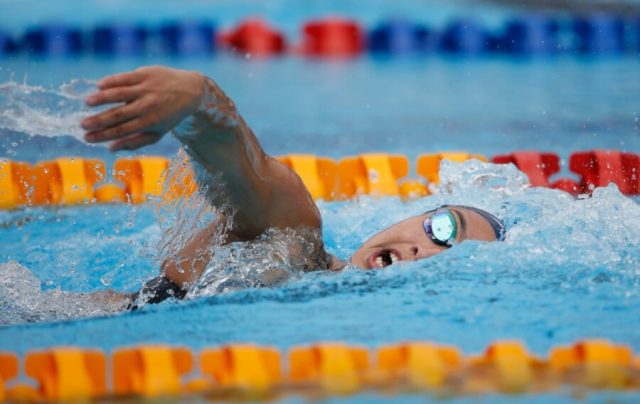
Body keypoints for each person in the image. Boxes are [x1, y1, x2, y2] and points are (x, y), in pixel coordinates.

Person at [81, 66, 505, 308]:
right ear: (417, 215)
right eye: (444, 230)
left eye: (450, 263)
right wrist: (199, 98)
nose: (421, 252)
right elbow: (243, 170)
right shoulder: (298, 243)